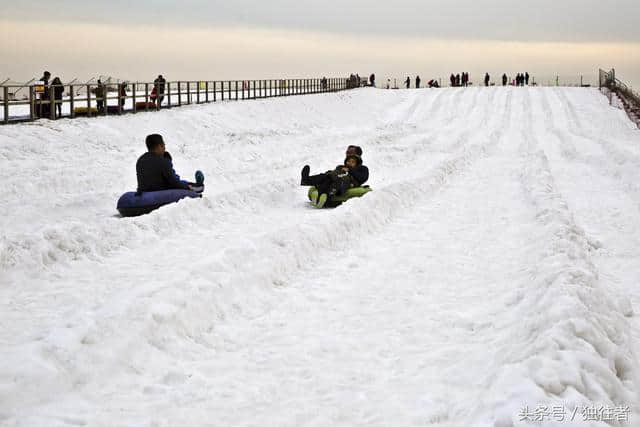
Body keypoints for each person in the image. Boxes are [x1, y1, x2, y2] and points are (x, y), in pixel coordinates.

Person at [300, 153, 368, 208]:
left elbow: (363, 177)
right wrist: (328, 173)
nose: (349, 163)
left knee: (336, 180)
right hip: (334, 177)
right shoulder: (341, 167)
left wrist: (350, 170)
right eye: (348, 161)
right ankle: (306, 180)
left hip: (346, 181)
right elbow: (334, 172)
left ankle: (324, 197)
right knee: (326, 176)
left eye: (352, 162)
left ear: (357, 164)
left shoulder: (361, 169)